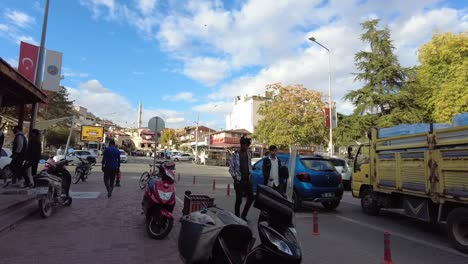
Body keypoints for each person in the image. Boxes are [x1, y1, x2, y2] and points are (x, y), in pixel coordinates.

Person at [229, 136, 253, 221]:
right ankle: (237, 217)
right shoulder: (234, 155)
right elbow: (231, 169)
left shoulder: (249, 154)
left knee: (251, 198)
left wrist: (250, 175)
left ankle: (244, 215)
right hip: (239, 180)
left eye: (248, 146)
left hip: (247, 179)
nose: (246, 147)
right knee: (239, 200)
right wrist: (235, 178)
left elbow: (249, 165)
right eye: (245, 145)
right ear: (241, 144)